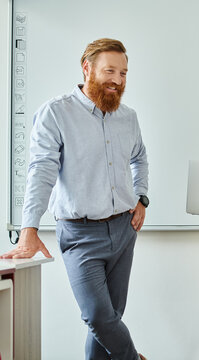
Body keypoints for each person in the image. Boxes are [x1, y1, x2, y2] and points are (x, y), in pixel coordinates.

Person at [1, 38, 149, 360]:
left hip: (124, 230)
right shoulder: (56, 113)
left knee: (109, 320)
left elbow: (140, 158)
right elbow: (40, 172)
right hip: (80, 234)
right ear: (87, 68)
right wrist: (29, 229)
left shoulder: (129, 117)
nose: (118, 80)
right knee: (98, 316)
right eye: (110, 71)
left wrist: (142, 198)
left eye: (123, 73)